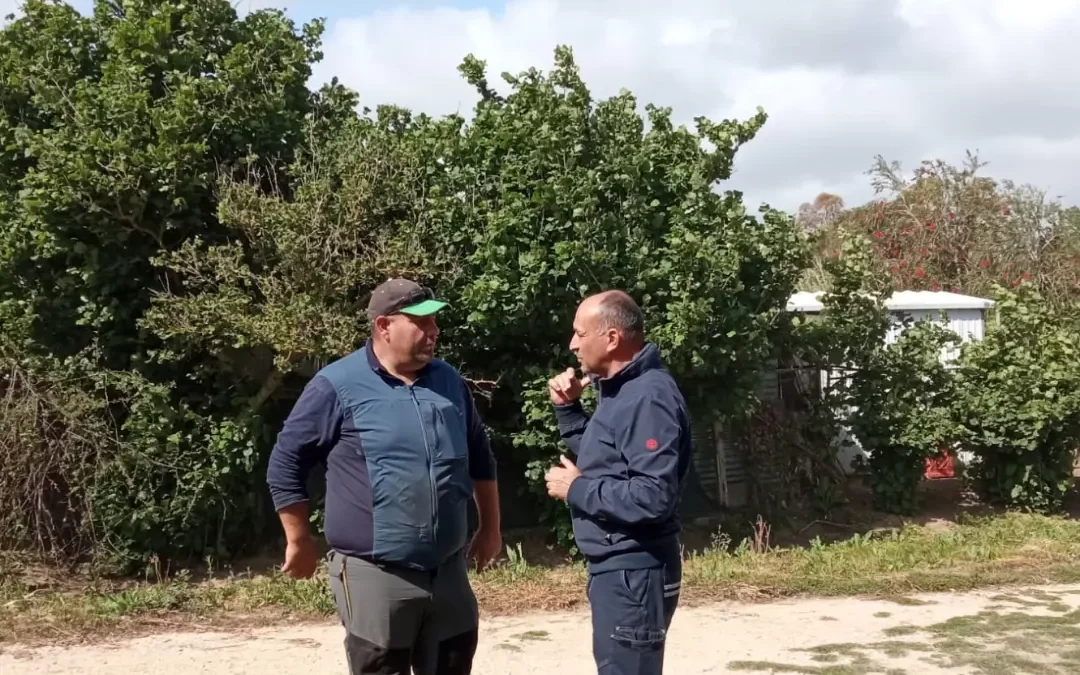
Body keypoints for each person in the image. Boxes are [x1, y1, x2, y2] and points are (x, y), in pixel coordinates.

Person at [266, 277, 502, 675]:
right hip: (374, 574)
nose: (434, 332)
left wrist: (491, 528)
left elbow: (480, 455)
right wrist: (298, 538)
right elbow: (286, 462)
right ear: (384, 326)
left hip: (447, 573)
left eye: (434, 323)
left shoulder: (448, 381)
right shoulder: (336, 386)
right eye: (421, 323)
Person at [544, 290, 691, 675]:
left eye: (580, 333)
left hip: (635, 572)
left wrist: (576, 489)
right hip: (621, 570)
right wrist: (569, 411)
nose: (572, 344)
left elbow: (653, 495)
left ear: (611, 339)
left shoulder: (648, 397)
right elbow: (606, 460)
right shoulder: (620, 390)